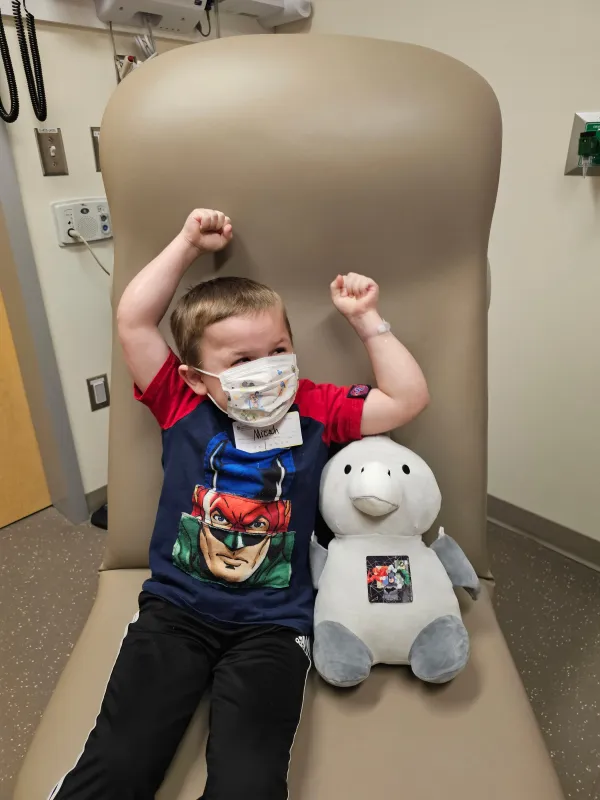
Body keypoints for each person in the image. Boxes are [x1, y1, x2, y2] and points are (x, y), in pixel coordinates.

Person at [51, 209, 429, 800]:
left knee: (249, 781)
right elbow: (133, 319)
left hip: (273, 629)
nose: (266, 371)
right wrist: (185, 244)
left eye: (277, 350)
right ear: (198, 377)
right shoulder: (180, 402)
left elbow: (405, 399)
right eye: (241, 362)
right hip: (175, 613)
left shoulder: (316, 408)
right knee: (120, 760)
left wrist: (367, 321)